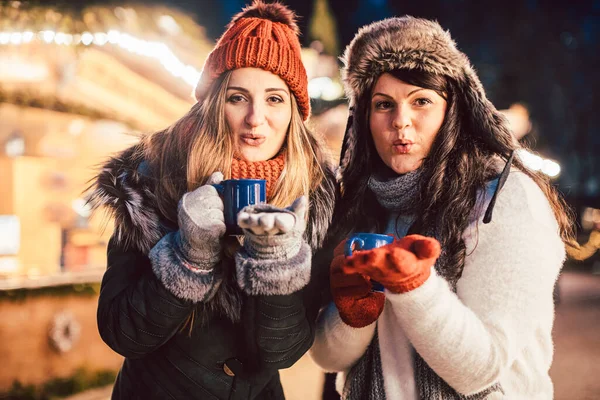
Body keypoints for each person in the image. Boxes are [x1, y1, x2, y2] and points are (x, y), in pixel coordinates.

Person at [309, 16, 576, 399]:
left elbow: (482, 370)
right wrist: (353, 314)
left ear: (453, 111)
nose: (401, 122)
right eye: (384, 105)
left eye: (421, 101)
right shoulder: (362, 203)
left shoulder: (504, 198)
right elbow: (328, 358)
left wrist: (413, 286)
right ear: (363, 119)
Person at [88, 2, 335, 399]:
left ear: (294, 111)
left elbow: (285, 351)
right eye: (238, 97)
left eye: (274, 99)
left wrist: (276, 263)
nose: (256, 118)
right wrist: (187, 257)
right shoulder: (154, 180)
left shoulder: (314, 196)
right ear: (214, 103)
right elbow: (122, 333)